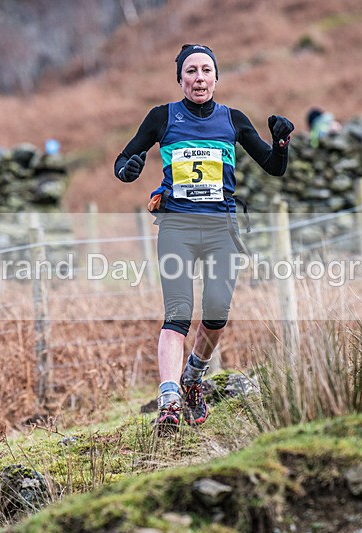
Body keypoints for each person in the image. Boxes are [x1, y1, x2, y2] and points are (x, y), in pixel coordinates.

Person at [114, 44, 294, 430]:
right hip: (177, 227)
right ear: (180, 79)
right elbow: (123, 160)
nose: (199, 77)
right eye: (191, 71)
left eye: (206, 70)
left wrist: (281, 142)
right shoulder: (162, 117)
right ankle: (168, 402)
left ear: (216, 77)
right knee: (177, 314)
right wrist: (128, 170)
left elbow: (274, 168)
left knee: (216, 314)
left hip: (221, 231)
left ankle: (192, 379)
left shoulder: (233, 119)